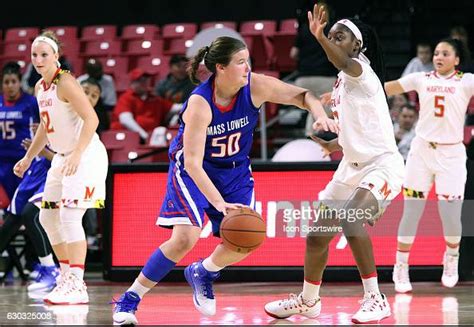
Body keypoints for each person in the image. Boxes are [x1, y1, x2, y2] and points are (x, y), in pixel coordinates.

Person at [112, 35, 337, 325]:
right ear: (220, 68)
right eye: (240, 62)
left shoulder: (254, 85)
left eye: (248, 61)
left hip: (235, 171)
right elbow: (192, 162)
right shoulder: (200, 103)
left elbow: (304, 95)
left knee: (246, 240)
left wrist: (320, 116)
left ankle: (203, 271)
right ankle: (131, 299)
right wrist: (219, 203)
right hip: (194, 169)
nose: (247, 68)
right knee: (184, 238)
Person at [265, 4, 404, 324]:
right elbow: (357, 129)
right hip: (351, 168)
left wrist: (318, 37)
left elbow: (339, 59)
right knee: (317, 236)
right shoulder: (342, 82)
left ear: (357, 46)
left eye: (340, 36)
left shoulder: (360, 69)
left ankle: (376, 298)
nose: (333, 40)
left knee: (351, 221)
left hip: (382, 165)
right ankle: (308, 301)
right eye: (331, 36)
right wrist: (332, 143)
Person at [13, 30, 108, 305]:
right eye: (34, 55)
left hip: (85, 155)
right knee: (46, 218)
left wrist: (77, 154)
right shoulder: (40, 88)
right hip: (61, 158)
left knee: (68, 218)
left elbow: (91, 119)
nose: (39, 59)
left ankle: (78, 284)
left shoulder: (65, 81)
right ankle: (65, 277)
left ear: (56, 56)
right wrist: (29, 157)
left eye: (44, 54)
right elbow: (45, 125)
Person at [385, 38, 474, 292]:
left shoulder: (467, 81)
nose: (439, 57)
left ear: (456, 59)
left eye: (445, 53)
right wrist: (350, 85)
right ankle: (400, 266)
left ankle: (451, 259)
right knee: (411, 211)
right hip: (422, 152)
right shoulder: (421, 78)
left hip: (452, 156)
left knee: (451, 216)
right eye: (436, 53)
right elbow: (385, 88)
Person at [0, 129, 59, 293]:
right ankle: (51, 269)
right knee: (11, 223)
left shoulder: (67, 118)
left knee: (30, 214)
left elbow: (64, 160)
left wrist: (42, 151)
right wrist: (30, 156)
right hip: (35, 171)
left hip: (53, 175)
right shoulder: (43, 114)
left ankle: (50, 269)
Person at [291, 0, 338, 136]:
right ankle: (326, 137)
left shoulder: (304, 29)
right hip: (325, 77)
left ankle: (309, 135)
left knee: (315, 108)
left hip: (303, 78)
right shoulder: (331, 31)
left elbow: (293, 54)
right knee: (328, 109)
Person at [1, 62, 40, 201]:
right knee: (8, 202)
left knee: (22, 200)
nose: (10, 86)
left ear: (19, 83)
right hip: (3, 161)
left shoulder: (31, 102)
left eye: (13, 82)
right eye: (6, 82)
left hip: (24, 158)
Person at [110, 68, 174, 141]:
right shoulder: (126, 98)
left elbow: (174, 108)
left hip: (152, 137)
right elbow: (125, 120)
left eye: (146, 80)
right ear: (132, 83)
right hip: (129, 137)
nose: (144, 83)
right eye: (140, 81)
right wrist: (144, 135)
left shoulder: (154, 98)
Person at [154, 55, 196, 126]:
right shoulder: (162, 85)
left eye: (185, 67)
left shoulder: (194, 85)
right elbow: (157, 105)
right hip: (163, 118)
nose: (182, 70)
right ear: (170, 67)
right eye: (178, 66)